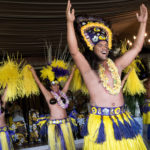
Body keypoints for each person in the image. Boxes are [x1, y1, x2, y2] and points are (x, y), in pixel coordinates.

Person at [66, 0, 148, 149]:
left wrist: (143, 23)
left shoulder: (117, 66)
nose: (105, 47)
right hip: (101, 123)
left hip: (123, 120)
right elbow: (74, 51)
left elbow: (136, 48)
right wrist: (69, 23)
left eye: (106, 45)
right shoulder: (88, 71)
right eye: (101, 45)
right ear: (92, 47)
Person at [30, 66, 76, 150]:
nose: (56, 86)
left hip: (65, 122)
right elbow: (39, 84)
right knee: (58, 146)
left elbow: (68, 81)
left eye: (57, 84)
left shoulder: (62, 93)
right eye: (53, 85)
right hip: (55, 124)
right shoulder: (48, 94)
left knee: (67, 145)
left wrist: (72, 70)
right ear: (50, 87)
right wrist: (33, 72)